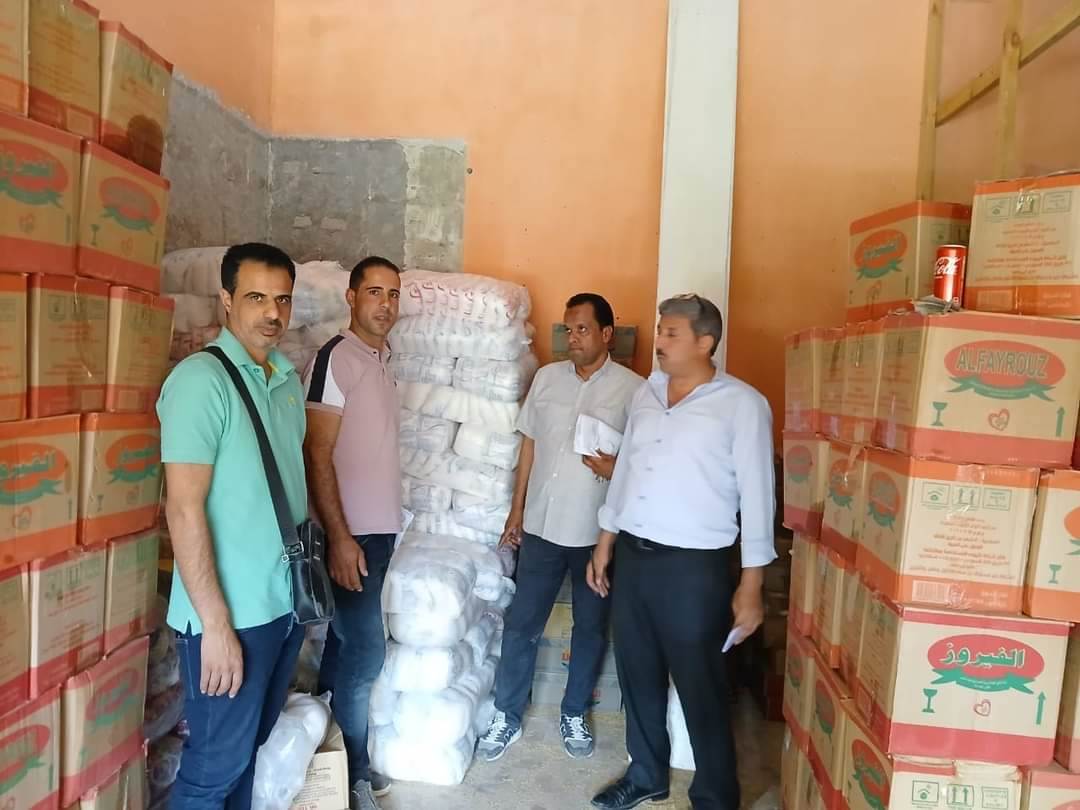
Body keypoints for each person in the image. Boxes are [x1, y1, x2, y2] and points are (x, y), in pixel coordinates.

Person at [588, 294, 776, 810]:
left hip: (694, 569)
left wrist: (752, 585)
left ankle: (715, 796)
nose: (660, 341)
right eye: (660, 330)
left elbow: (758, 496)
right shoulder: (646, 394)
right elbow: (627, 471)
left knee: (702, 685)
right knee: (637, 672)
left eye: (671, 333)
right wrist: (606, 539)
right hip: (635, 557)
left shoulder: (741, 404)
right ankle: (646, 774)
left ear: (705, 342)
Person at [157, 243, 307, 810]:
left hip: (282, 604)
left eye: (282, 300)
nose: (272, 312)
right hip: (228, 615)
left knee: (248, 755)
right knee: (213, 768)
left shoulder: (286, 381)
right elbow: (183, 509)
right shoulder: (202, 382)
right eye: (256, 297)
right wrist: (215, 625)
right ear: (226, 299)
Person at [476, 293, 643, 763]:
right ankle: (507, 714)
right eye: (569, 330)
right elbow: (529, 446)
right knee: (521, 624)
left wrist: (615, 468)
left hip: (595, 535)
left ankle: (574, 713)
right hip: (542, 526)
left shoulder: (634, 391)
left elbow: (645, 463)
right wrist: (516, 511)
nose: (573, 338)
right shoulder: (548, 379)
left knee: (590, 628)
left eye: (583, 329)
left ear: (607, 334)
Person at [302, 256, 403, 810]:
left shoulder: (381, 360)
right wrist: (339, 538)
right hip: (350, 537)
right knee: (365, 654)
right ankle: (355, 773)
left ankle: (330, 757)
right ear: (351, 297)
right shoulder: (336, 357)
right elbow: (316, 452)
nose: (384, 304)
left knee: (344, 647)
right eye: (374, 292)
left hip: (378, 533)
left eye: (392, 294)